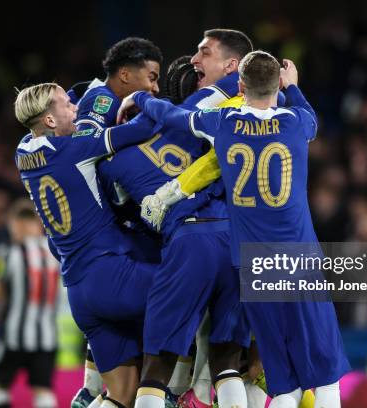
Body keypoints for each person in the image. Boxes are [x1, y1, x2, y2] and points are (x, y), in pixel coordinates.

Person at [119, 51, 351, 408]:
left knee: (283, 380)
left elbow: (175, 117)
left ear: (240, 86)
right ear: (278, 86)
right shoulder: (295, 121)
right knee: (326, 376)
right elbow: (312, 120)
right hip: (297, 258)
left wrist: (142, 99)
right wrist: (294, 87)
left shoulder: (222, 123)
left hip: (252, 265)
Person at [97, 46, 252, 408]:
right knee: (229, 361)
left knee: (156, 364)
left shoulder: (112, 162)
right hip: (239, 238)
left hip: (187, 240)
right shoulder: (201, 124)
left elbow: (125, 217)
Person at [13, 82, 161, 408]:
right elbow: (145, 126)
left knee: (121, 395)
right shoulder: (76, 149)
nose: (75, 109)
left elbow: (62, 123)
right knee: (198, 290)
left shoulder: (23, 151)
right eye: (67, 105)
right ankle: (189, 389)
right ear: (49, 121)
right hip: (111, 274)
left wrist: (82, 101)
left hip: (80, 292)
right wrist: (138, 99)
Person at [0, 199, 61, 408]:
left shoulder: (8, 252)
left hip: (13, 335)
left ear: (16, 224)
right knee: (43, 391)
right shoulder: (55, 251)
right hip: (47, 336)